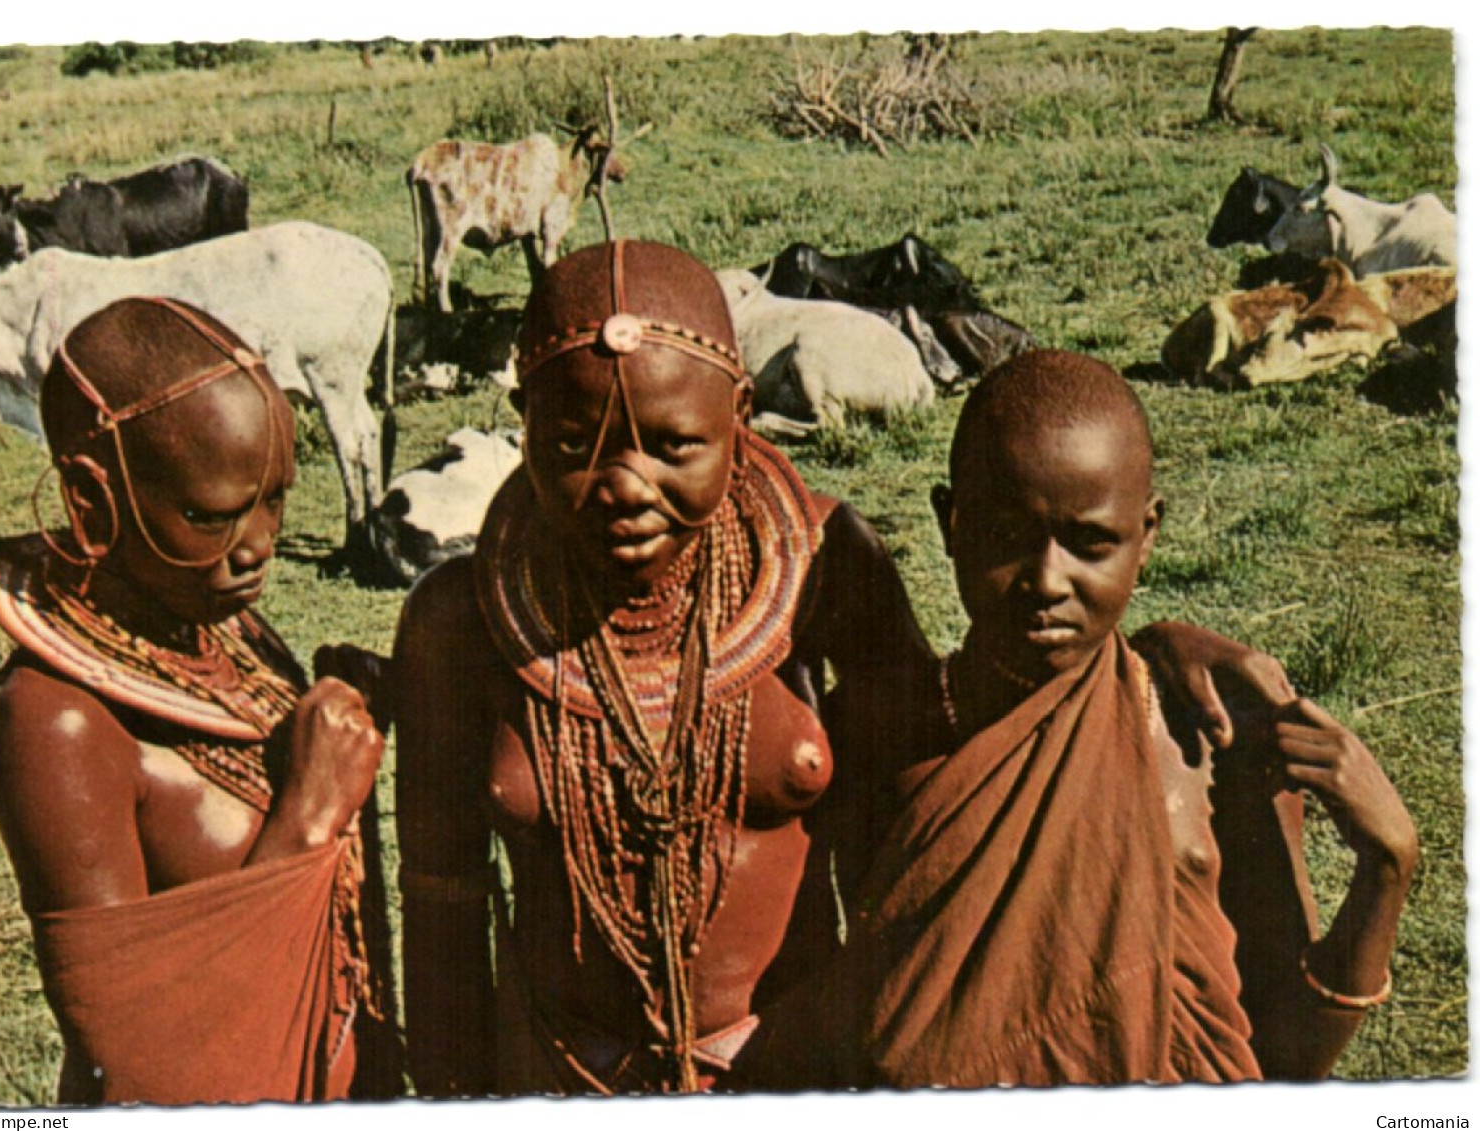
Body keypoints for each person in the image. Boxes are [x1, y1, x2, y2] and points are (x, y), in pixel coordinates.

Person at [391, 241, 1287, 1096]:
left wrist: (1143, 651)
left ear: (737, 421)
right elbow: (440, 907)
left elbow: (960, 758)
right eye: (573, 444)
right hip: (556, 1072)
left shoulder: (818, 566)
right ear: (524, 426)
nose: (625, 483)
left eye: (673, 445)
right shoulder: (457, 623)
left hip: (800, 1063)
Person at [849, 349, 1418, 1087]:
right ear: (947, 522)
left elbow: (1283, 1057)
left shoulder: (1204, 737)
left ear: (1145, 534)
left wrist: (1386, 868)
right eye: (1004, 536)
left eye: (1090, 543)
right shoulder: (875, 734)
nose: (1046, 581)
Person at [0, 297, 401, 1105]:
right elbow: (129, 1047)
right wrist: (308, 815)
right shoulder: (55, 718)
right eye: (210, 515)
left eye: (274, 498)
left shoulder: (228, 631)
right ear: (92, 498)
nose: (258, 546)